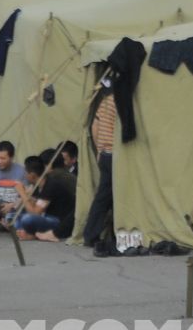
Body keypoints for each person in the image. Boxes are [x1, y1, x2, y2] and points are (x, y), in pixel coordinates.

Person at [82, 87, 119, 256]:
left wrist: (98, 149)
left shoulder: (105, 100)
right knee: (110, 196)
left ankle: (93, 233)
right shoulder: (120, 99)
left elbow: (95, 125)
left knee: (104, 196)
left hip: (104, 153)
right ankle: (96, 233)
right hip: (114, 155)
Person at [15, 151, 76, 242]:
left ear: (32, 175)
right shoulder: (38, 184)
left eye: (25, 173)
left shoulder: (50, 184)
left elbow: (35, 213)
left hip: (59, 221)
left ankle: (30, 233)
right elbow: (34, 205)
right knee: (14, 217)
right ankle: (29, 233)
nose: (24, 176)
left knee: (27, 219)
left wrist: (22, 193)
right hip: (46, 216)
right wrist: (28, 197)